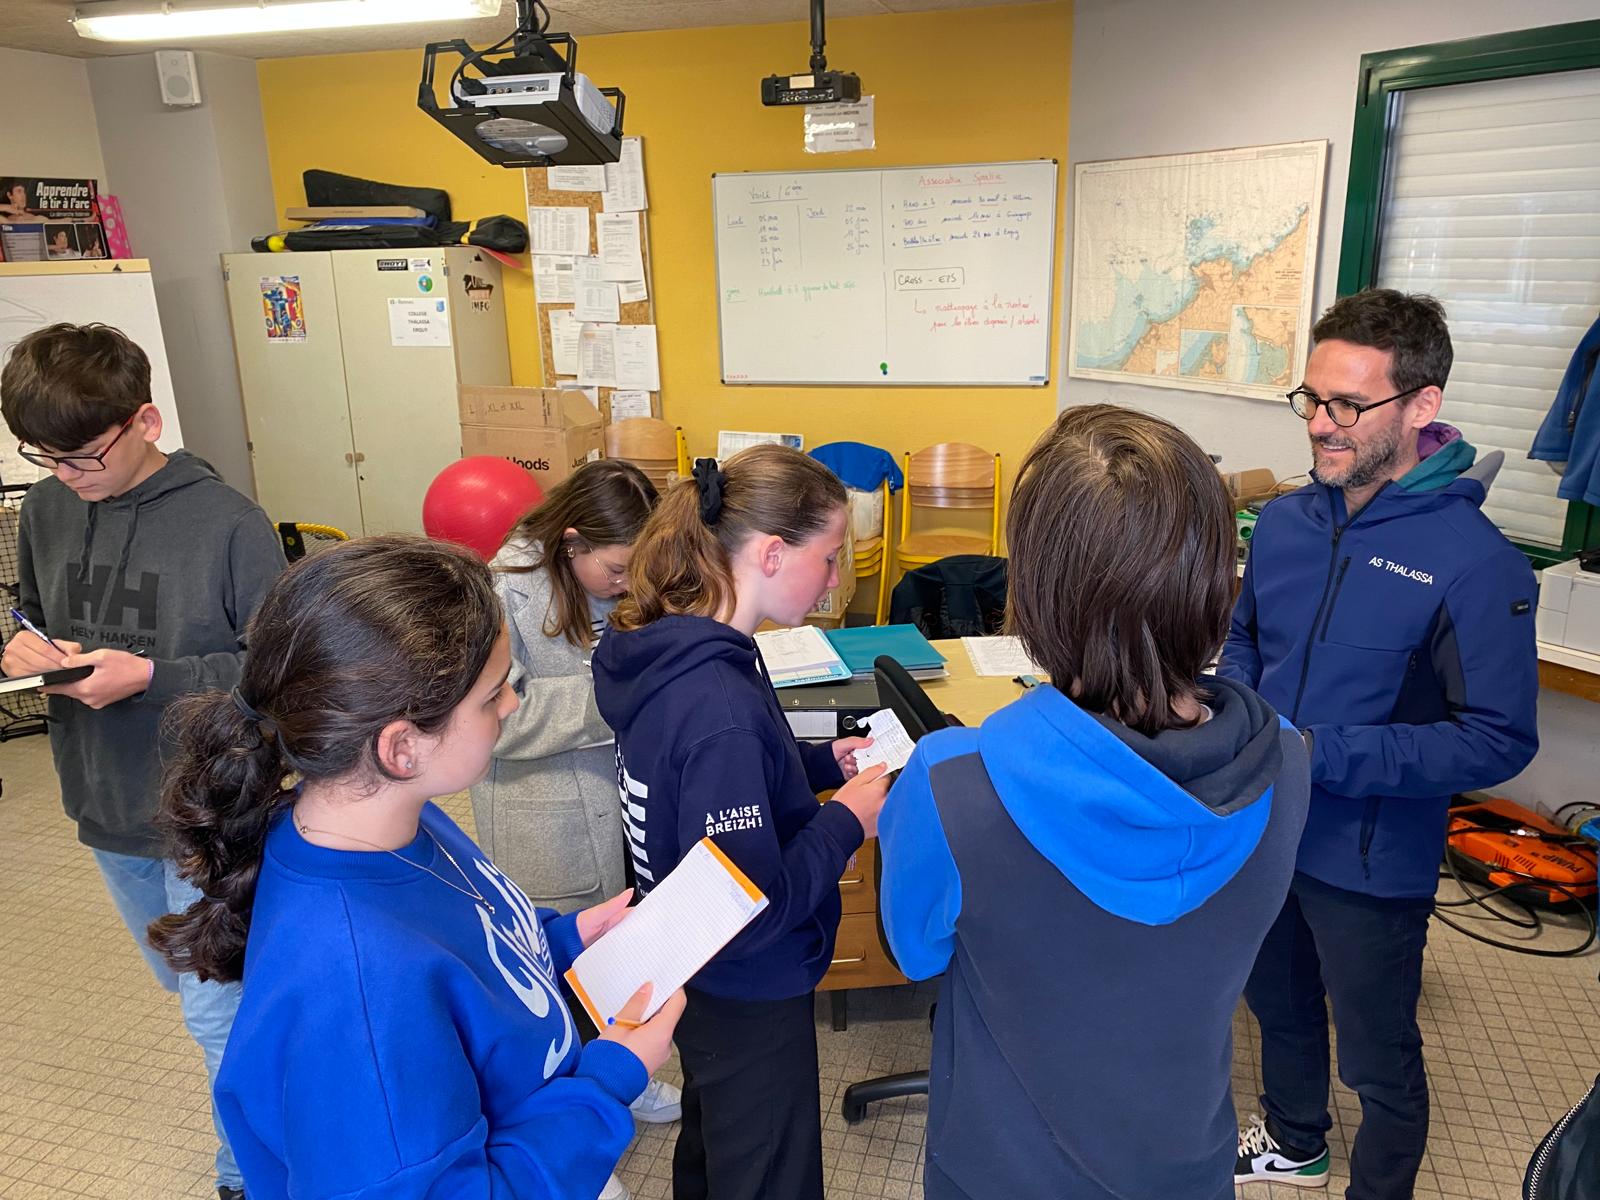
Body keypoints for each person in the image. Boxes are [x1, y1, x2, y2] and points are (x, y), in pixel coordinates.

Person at [149, 535, 687, 1199]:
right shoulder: (353, 985)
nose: (512, 705)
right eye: (493, 695)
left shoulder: (394, 817)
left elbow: (468, 946)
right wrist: (610, 1079)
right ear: (401, 747)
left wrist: (566, 940)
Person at [875, 404, 1311, 1200]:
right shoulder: (1286, 758)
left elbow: (917, 953)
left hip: (998, 1174)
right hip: (1187, 1167)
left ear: (1035, 586)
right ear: (1215, 580)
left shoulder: (950, 782)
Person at [1221, 289, 1540, 1197]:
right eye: (1312, 398)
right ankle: (1296, 1142)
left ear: (1422, 404)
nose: (1321, 424)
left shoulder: (1477, 562)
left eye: (1349, 405)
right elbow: (1247, 640)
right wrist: (1238, 716)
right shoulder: (1285, 522)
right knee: (1278, 1006)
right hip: (1266, 826)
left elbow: (1497, 739)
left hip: (1371, 857)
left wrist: (1322, 752)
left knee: (1376, 1053)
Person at [0, 322, 285, 1200]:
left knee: (216, 1010)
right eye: (44, 458)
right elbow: (32, 612)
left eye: (82, 456)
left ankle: (248, 1177)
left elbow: (278, 675)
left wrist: (152, 677)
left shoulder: (230, 523)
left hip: (208, 809)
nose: (66, 475)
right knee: (194, 992)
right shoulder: (46, 509)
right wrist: (23, 648)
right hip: (103, 796)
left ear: (145, 422)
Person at [592, 448, 891, 1200]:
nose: (836, 580)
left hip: (692, 962)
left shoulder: (675, 652)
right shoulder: (719, 703)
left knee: (718, 1141)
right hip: (748, 979)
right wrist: (846, 821)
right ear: (772, 553)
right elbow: (751, 904)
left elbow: (708, 779)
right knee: (767, 1173)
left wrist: (818, 764)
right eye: (830, 558)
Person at [471, 458, 675, 1200]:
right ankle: (566, 1135)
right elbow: (501, 719)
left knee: (615, 948)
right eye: (615, 569)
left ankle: (619, 1075)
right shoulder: (503, 591)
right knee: (545, 986)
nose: (625, 583)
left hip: (613, 800)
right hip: (543, 816)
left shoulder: (620, 580)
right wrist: (616, 696)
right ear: (571, 541)